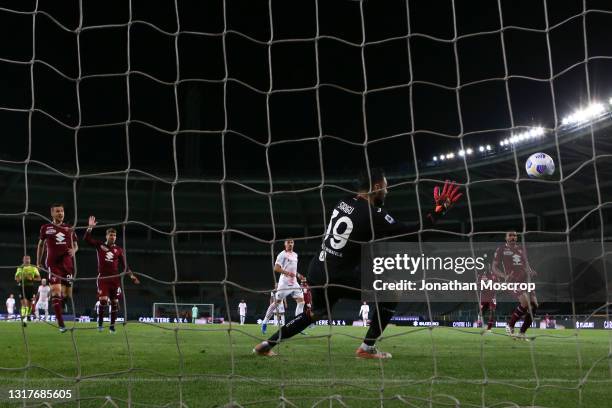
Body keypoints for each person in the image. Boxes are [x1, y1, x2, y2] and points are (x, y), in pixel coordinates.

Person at [253, 169, 462, 358]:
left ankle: (267, 344)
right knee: (393, 291)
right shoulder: (374, 214)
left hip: (318, 269)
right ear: (377, 187)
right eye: (386, 188)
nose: (387, 193)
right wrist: (439, 210)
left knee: (314, 314)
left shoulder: (343, 201)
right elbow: (415, 235)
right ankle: (367, 348)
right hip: (338, 275)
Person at [84, 215, 139, 333]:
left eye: (114, 235)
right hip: (103, 278)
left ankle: (112, 326)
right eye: (111, 235)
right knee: (103, 301)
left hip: (115, 280)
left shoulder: (119, 250)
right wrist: (90, 228)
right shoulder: (100, 245)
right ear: (106, 236)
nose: (113, 237)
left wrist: (131, 276)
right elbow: (87, 240)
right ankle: (99, 324)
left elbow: (125, 266)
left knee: (115, 303)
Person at [37, 203, 78, 333]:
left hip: (67, 265)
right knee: (55, 291)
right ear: (52, 213)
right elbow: (41, 245)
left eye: (62, 211)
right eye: (57, 211)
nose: (60, 213)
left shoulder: (69, 228)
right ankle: (61, 324)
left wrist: (74, 250)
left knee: (67, 295)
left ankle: (64, 302)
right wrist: (38, 262)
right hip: (53, 264)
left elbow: (76, 245)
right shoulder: (46, 228)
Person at [493, 231, 538, 340]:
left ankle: (522, 333)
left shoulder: (521, 249)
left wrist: (531, 271)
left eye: (515, 235)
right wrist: (504, 276)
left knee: (534, 305)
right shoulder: (501, 249)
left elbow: (526, 265)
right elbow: (494, 268)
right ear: (506, 238)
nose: (513, 237)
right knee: (525, 302)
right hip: (513, 280)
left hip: (525, 281)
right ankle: (510, 325)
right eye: (510, 235)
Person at [260, 239, 305, 334]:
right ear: (285, 244)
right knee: (276, 303)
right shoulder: (282, 254)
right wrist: (287, 272)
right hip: (284, 283)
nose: (290, 244)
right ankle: (264, 322)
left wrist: (298, 275)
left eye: (292, 242)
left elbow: (293, 269)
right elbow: (276, 268)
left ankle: (297, 325)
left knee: (301, 302)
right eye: (288, 242)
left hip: (294, 283)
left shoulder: (295, 255)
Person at [15, 255, 41, 327]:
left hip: (30, 287)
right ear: (23, 260)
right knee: (24, 304)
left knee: (29, 305)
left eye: (28, 259)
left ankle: (27, 316)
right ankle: (24, 319)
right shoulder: (20, 268)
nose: (27, 260)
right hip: (22, 287)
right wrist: (20, 279)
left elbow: (39, 278)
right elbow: (16, 278)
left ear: (30, 260)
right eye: (25, 259)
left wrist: (31, 279)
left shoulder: (33, 267)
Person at [478, 268, 498, 334]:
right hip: (484, 296)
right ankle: (480, 323)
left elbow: (497, 283)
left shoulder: (494, 274)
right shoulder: (481, 275)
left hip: (492, 296)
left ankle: (489, 328)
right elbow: (477, 284)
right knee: (482, 311)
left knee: (492, 311)